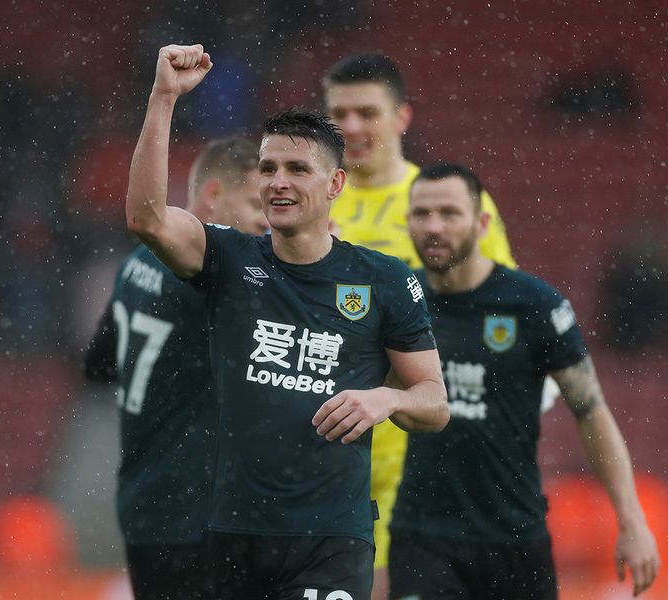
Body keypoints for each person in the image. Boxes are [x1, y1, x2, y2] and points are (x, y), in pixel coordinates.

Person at [124, 43, 450, 599]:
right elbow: (147, 218)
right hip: (228, 534)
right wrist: (163, 98)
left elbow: (434, 400)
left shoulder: (385, 279)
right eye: (269, 168)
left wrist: (387, 400)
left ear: (336, 185)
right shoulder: (229, 259)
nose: (279, 181)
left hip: (330, 538)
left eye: (298, 169)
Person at [388, 162, 660, 599]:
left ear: (481, 223)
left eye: (449, 213)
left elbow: (590, 411)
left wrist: (631, 523)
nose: (433, 226)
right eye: (421, 214)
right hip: (423, 537)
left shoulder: (534, 306)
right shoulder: (400, 303)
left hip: (513, 538)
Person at [321, 52, 518, 597]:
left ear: (402, 117)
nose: (352, 127)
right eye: (339, 114)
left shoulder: (442, 206)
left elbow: (502, 318)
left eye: (367, 112)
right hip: (335, 449)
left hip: (427, 451)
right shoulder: (312, 208)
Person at [85, 135, 268, 599]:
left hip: (145, 506)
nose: (265, 220)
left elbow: (99, 364)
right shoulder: (211, 275)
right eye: (254, 202)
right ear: (212, 196)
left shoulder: (134, 265)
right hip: (199, 510)